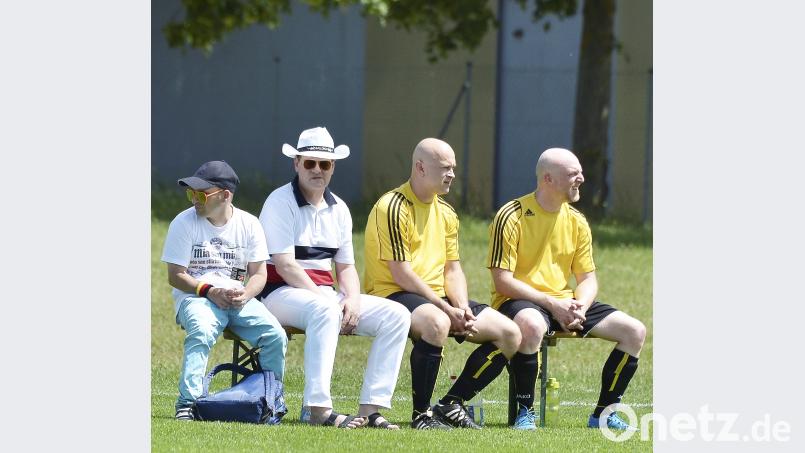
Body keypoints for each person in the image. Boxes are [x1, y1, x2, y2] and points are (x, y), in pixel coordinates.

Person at [258, 127, 411, 430]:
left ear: (333, 168)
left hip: (322, 295)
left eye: (324, 164)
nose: (317, 169)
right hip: (278, 293)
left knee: (397, 315)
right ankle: (318, 409)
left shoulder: (339, 208)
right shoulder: (279, 202)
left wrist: (352, 299)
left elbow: (347, 268)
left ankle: (371, 410)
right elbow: (286, 266)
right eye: (310, 163)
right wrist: (325, 296)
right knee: (326, 309)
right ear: (296, 163)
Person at [364, 138, 522, 430]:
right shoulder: (392, 206)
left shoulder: (448, 213)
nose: (451, 174)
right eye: (445, 168)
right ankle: (421, 416)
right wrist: (446, 310)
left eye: (453, 168)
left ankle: (451, 403)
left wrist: (461, 308)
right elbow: (401, 274)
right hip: (392, 294)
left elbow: (453, 269)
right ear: (420, 167)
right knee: (437, 323)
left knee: (511, 334)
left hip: (437, 299)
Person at [487, 147, 647, 431]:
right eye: (573, 174)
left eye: (581, 172)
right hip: (519, 299)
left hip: (564, 303)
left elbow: (587, 279)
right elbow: (503, 281)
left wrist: (579, 307)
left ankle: (603, 414)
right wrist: (552, 304)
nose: (581, 179)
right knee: (532, 325)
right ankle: (525, 412)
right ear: (548, 179)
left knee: (634, 331)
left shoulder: (577, 221)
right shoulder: (511, 215)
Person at [161, 160, 288, 421]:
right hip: (196, 296)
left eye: (201, 194)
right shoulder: (183, 223)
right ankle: (188, 404)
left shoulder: (250, 224)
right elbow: (175, 276)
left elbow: (259, 274)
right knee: (202, 329)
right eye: (191, 193)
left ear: (225, 196)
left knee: (275, 335)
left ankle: (270, 398)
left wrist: (247, 293)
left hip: (238, 299)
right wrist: (209, 291)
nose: (194, 199)